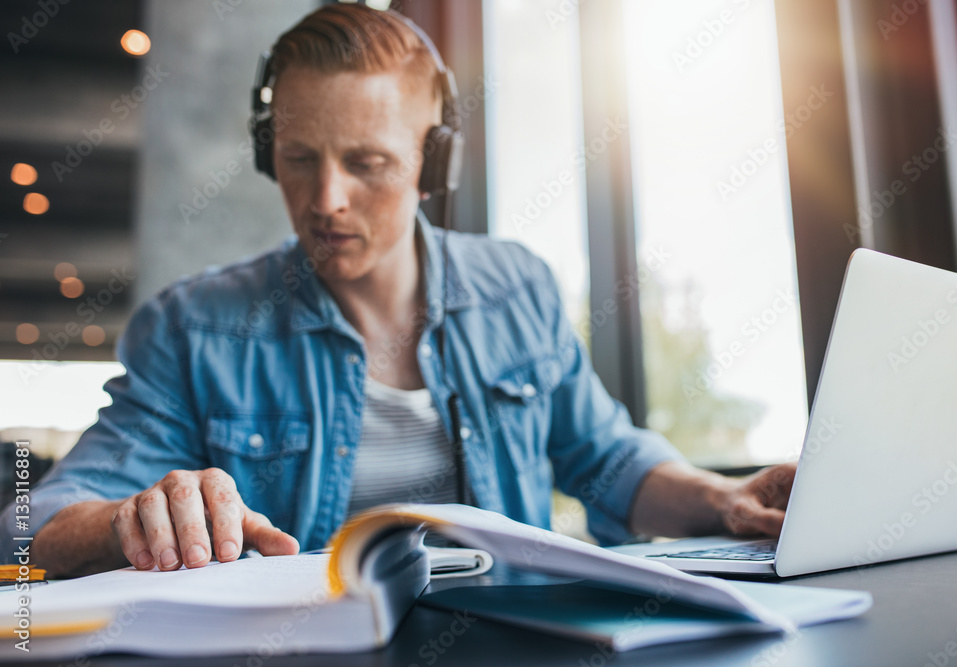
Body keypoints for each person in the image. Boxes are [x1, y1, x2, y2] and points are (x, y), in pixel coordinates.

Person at [0, 4, 795, 578]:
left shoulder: (516, 286)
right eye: (299, 156)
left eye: (367, 163)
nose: (326, 199)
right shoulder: (193, 326)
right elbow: (28, 528)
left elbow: (607, 460)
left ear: (433, 164)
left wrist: (720, 498)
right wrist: (123, 521)